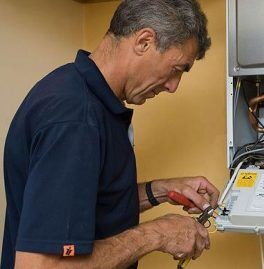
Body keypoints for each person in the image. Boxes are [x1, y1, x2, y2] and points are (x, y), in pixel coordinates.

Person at [1, 0, 219, 268]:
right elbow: (41, 265)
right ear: (144, 41)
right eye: (176, 69)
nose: (173, 87)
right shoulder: (75, 118)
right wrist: (157, 234)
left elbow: (84, 204)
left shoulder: (84, 94)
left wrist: (159, 191)